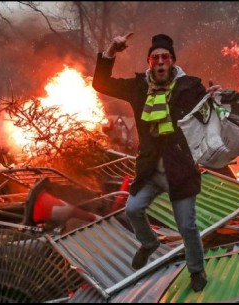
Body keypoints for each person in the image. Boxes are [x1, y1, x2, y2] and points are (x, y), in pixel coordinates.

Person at [93, 33, 220, 292]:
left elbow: (209, 115)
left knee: (186, 226)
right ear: (150, 62)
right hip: (150, 170)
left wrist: (214, 98)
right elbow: (100, 83)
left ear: (172, 61)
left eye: (165, 57)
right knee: (132, 209)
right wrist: (111, 51)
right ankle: (149, 242)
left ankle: (196, 270)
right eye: (155, 58)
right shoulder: (138, 87)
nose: (160, 62)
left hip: (180, 170)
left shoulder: (189, 87)